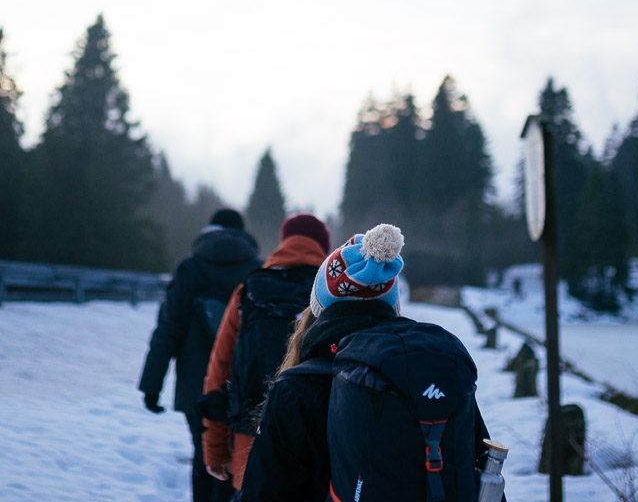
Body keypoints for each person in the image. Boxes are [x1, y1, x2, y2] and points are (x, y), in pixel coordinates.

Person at [240, 223, 490, 502]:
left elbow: (264, 492)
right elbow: (482, 470)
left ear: (320, 306)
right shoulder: (432, 369)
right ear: (391, 304)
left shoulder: (297, 388)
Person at [200, 213, 332, 494]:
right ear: (324, 245)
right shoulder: (331, 295)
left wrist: (215, 450)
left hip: (249, 446)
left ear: (284, 242)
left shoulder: (249, 291)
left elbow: (219, 372)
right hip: (317, 449)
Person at [140, 208, 261, 502]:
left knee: (203, 455)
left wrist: (151, 386)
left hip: (197, 389)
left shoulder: (189, 269)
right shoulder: (259, 271)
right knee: (239, 460)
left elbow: (167, 330)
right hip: (244, 387)